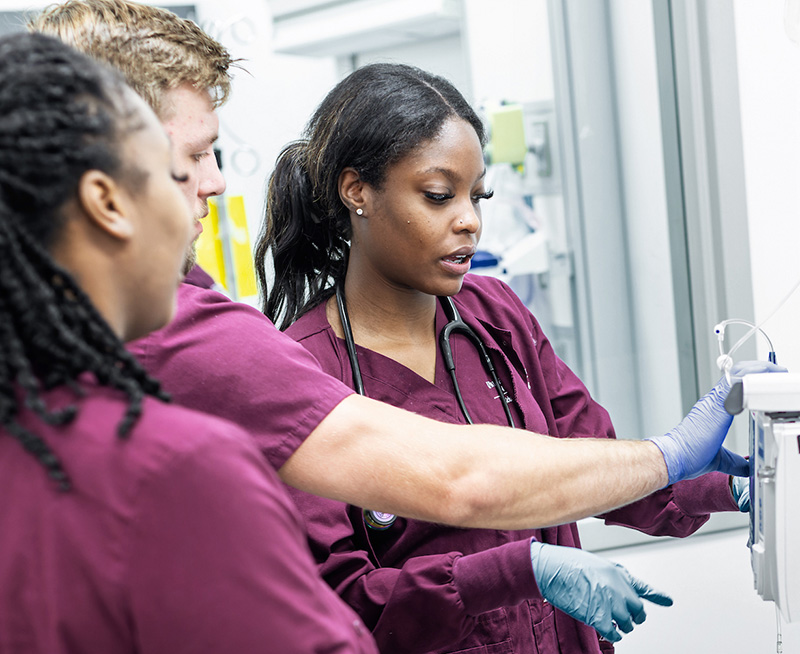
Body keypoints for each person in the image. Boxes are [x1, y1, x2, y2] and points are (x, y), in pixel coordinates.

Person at [0, 31, 583, 654]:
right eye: (180, 169)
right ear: (107, 201)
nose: (206, 189)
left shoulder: (37, 446)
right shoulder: (179, 467)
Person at [29, 0, 748, 543]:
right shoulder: (207, 339)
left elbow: (586, 463)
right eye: (189, 161)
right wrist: (663, 456)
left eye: (476, 197)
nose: (214, 184)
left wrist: (723, 484)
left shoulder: (494, 319)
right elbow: (454, 484)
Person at [258, 63, 762, 654]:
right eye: (439, 196)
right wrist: (518, 570)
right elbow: (342, 609)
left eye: (476, 196)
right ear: (355, 190)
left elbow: (600, 474)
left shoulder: (497, 322)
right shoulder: (299, 378)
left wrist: (746, 486)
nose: (469, 220)